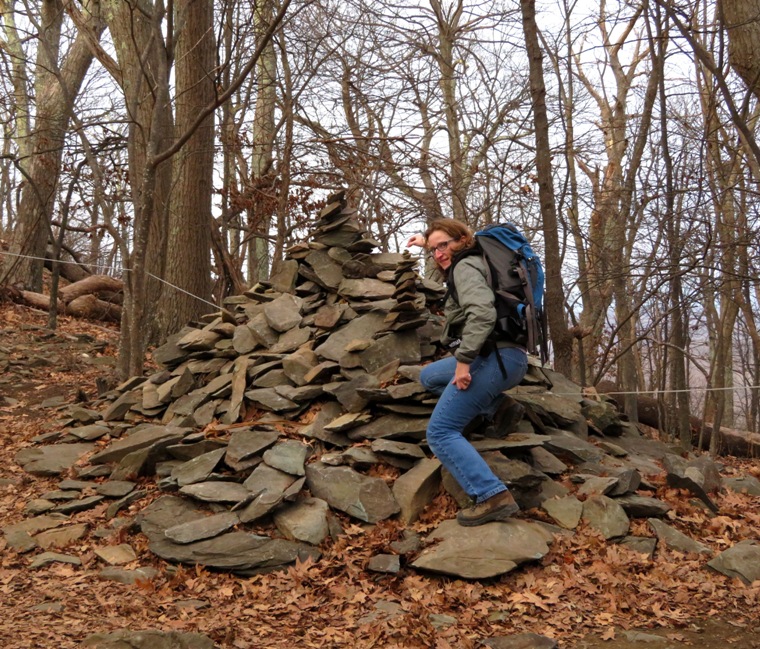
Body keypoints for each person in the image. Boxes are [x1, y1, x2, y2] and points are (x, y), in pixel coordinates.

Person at [406, 219, 528, 526]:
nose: (438, 254)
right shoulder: (470, 260)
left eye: (444, 246)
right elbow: (445, 252)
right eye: (433, 249)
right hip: (505, 357)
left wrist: (463, 362)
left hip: (493, 359)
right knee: (429, 377)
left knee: (440, 433)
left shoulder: (465, 267)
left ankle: (491, 495)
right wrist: (428, 243)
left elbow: (483, 313)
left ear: (463, 239)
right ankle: (496, 407)